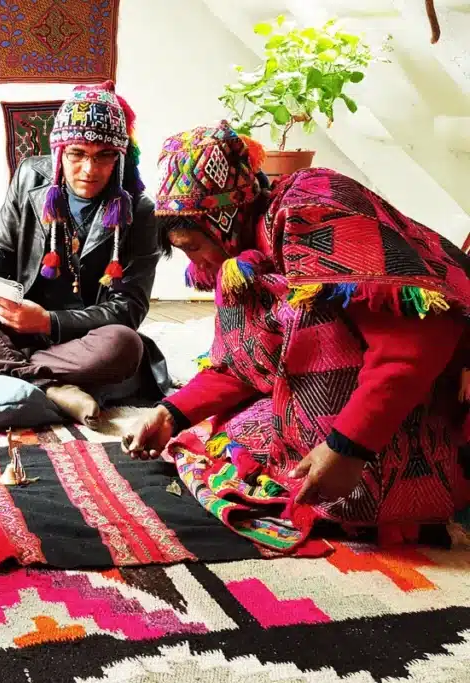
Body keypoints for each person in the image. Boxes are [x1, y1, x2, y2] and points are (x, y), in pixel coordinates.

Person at [121, 121, 469, 544]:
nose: (196, 264)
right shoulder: (243, 261)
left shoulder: (314, 211)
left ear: (224, 222)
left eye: (193, 246)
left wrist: (348, 447)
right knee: (223, 439)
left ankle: (405, 480)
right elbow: (244, 364)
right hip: (356, 396)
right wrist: (170, 413)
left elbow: (418, 338)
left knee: (312, 323)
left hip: (432, 393)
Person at [0, 81, 170, 428]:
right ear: (59, 151)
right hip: (17, 323)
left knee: (125, 346)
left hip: (82, 338)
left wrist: (47, 322)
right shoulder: (30, 176)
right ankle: (51, 386)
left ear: (120, 155)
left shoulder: (138, 209)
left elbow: (128, 308)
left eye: (104, 156)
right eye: (78, 154)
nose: (90, 169)